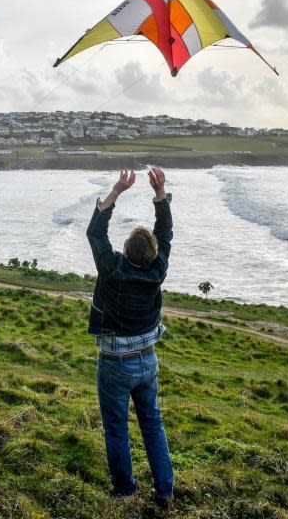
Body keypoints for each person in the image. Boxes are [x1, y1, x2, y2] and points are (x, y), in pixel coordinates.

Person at [86, 167, 174, 509]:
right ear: (153, 254)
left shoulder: (112, 268)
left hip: (115, 364)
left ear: (124, 249)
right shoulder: (157, 270)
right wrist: (159, 193)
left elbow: (96, 232)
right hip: (147, 360)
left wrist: (117, 191)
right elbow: (165, 234)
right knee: (152, 424)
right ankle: (165, 491)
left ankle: (125, 489)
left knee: (116, 428)